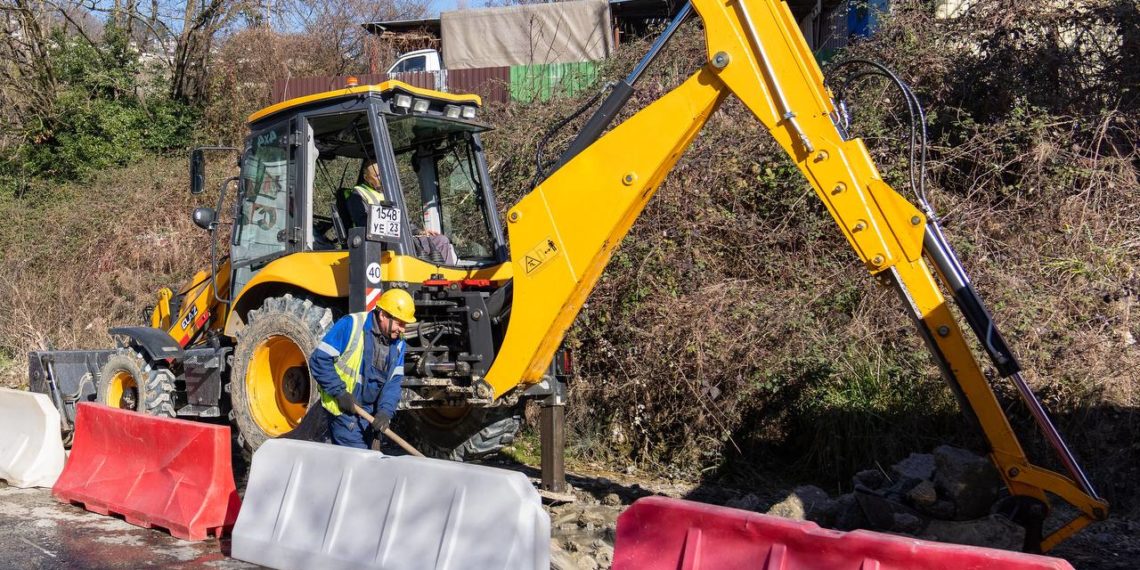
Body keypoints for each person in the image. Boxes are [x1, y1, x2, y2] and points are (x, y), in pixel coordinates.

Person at [308, 288, 416, 449]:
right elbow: (319, 360)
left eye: (405, 324)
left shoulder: (398, 344)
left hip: (370, 417)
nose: (403, 329)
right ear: (383, 315)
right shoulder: (352, 325)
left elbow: (393, 383)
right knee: (359, 463)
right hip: (346, 413)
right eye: (400, 323)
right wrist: (340, 393)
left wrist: (385, 412)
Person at [343, 160, 386, 227]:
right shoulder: (357, 195)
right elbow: (362, 223)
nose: (381, 178)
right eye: (377, 176)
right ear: (366, 178)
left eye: (382, 174)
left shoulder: (389, 191)